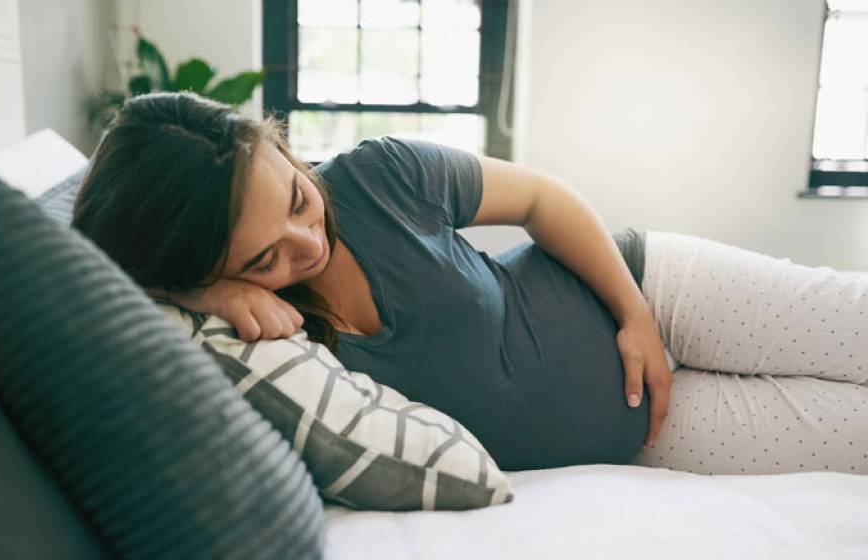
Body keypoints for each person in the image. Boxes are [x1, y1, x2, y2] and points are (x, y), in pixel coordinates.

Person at [72, 92, 868, 474]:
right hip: (650, 430)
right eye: (260, 260)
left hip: (656, 290)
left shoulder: (379, 174)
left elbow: (542, 198)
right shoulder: (255, 336)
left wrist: (634, 315)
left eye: (295, 199)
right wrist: (199, 295)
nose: (304, 242)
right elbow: (92, 297)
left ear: (282, 148)